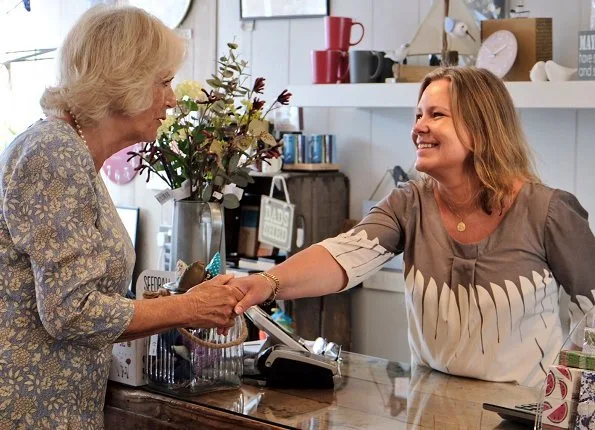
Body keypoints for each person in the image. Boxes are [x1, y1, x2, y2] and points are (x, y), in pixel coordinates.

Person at [231, 66, 595, 387]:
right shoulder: (408, 203)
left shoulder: (550, 211)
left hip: (522, 415)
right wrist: (265, 284)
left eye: (436, 115)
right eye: (418, 114)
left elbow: (591, 322)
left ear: (481, 130)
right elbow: (342, 255)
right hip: (430, 408)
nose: (418, 127)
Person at [0, 6, 243, 428]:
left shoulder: (72, 152)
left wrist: (173, 307)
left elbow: (84, 315)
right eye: (164, 82)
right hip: (27, 409)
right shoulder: (55, 153)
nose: (171, 98)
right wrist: (188, 307)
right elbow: (71, 313)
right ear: (123, 82)